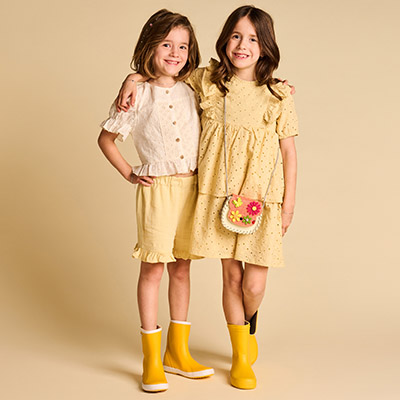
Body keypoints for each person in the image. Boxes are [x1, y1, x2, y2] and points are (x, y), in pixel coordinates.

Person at [116, 5, 298, 390]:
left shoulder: (279, 94)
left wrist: (288, 205)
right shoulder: (210, 81)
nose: (242, 45)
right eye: (236, 36)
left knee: (254, 285)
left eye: (253, 38)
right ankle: (239, 358)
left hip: (262, 200)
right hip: (220, 195)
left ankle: (248, 329)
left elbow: (289, 153)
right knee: (230, 276)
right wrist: (132, 78)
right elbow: (166, 71)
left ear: (266, 45)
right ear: (224, 40)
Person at [97, 9, 214, 393]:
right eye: (166, 44)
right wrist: (130, 172)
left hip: (192, 189)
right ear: (151, 46)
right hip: (157, 191)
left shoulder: (194, 87)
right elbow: (106, 139)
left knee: (182, 268)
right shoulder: (138, 93)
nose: (175, 53)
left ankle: (177, 353)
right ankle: (151, 358)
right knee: (153, 269)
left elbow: (234, 79)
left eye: (183, 46)